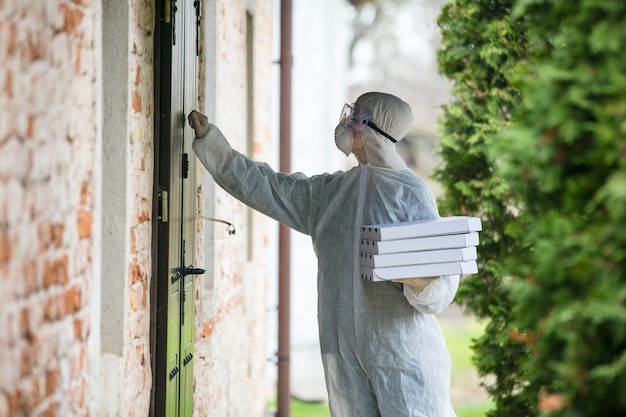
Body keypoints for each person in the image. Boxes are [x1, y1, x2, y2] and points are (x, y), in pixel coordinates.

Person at [188, 92, 459, 417]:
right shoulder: (332, 194)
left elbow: (438, 287)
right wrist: (213, 145)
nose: (346, 122)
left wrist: (415, 280)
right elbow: (269, 188)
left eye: (356, 116)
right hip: (345, 356)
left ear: (376, 128)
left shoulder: (408, 193)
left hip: (403, 359)